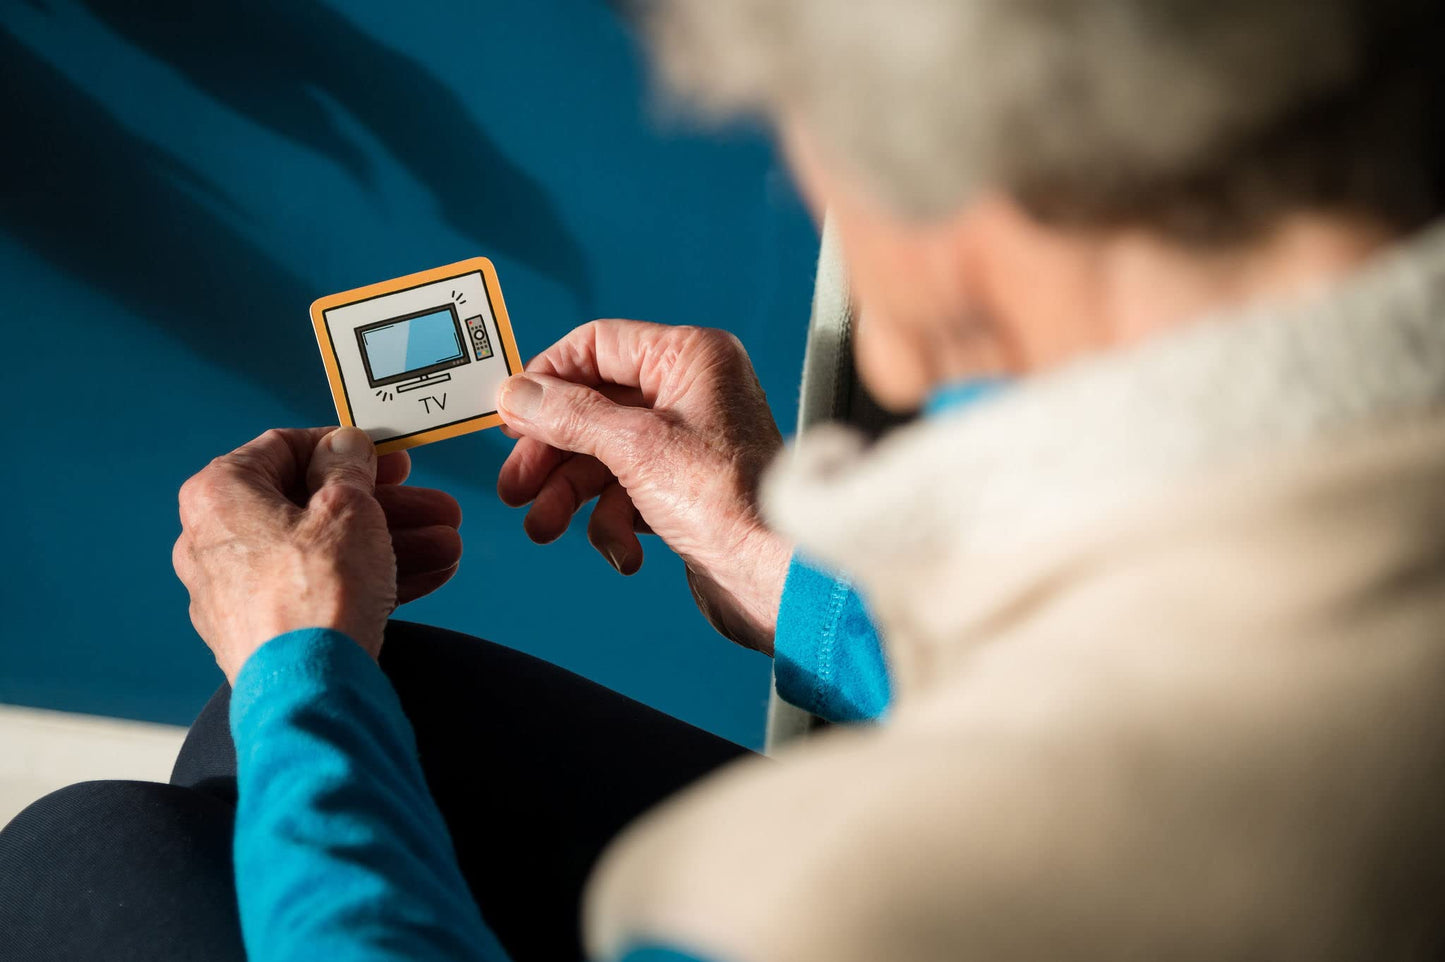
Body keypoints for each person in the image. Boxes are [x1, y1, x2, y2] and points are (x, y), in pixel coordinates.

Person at [6, 0, 1445, 959]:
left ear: (936, 221)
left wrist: (300, 670)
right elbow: (1164, 697)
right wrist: (774, 561)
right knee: (388, 708)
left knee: (92, 848)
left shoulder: (790, 899)